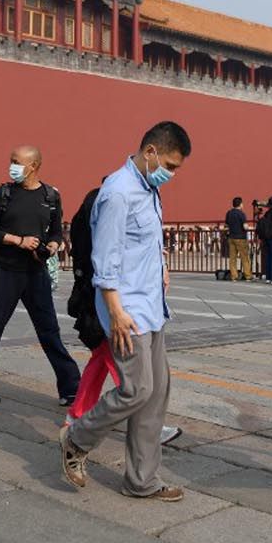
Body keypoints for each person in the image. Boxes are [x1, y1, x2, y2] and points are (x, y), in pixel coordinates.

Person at [60, 122, 191, 502]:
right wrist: (115, 311)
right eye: (170, 164)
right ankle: (77, 439)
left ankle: (141, 481)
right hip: (127, 310)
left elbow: (143, 243)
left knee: (156, 395)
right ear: (150, 151)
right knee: (136, 390)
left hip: (151, 307)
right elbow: (106, 258)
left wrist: (162, 266)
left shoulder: (148, 189)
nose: (171, 173)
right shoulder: (117, 192)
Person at [64, 180, 181, 446]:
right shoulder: (109, 201)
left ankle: (78, 416)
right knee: (133, 380)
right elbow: (101, 260)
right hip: (109, 301)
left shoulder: (112, 200)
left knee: (106, 360)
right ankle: (79, 427)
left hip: (118, 300)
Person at [0, 145, 80, 404]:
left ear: (33, 166)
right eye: (11, 161)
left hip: (36, 273)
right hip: (5, 271)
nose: (12, 166)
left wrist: (53, 245)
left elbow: (55, 231)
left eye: (17, 161)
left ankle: (70, 387)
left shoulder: (51, 196)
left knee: (49, 330)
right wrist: (18, 241)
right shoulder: (4, 193)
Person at [224, 197, 252, 281]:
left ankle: (234, 276)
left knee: (232, 258)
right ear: (240, 204)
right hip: (241, 238)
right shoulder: (241, 214)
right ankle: (248, 276)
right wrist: (248, 228)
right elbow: (244, 226)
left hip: (231, 237)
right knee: (244, 258)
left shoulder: (229, 213)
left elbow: (226, 225)